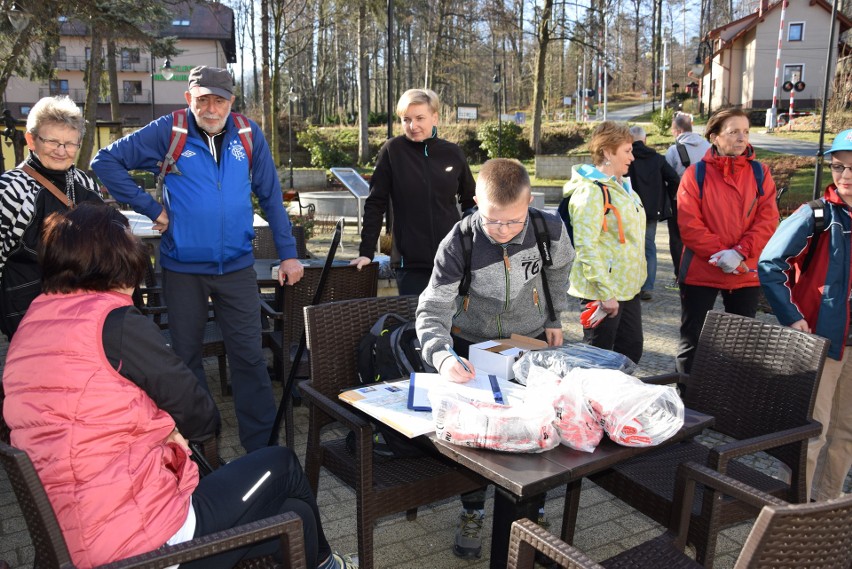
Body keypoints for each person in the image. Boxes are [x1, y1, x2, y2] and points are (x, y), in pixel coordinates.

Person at [2, 204, 356, 569]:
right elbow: (200, 414)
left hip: (74, 532)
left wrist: (159, 427)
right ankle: (329, 565)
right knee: (280, 463)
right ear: (116, 259)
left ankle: (323, 564)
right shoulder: (114, 322)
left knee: (292, 510)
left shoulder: (32, 324)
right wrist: (172, 427)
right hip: (145, 545)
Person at [92, 66, 304, 453]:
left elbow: (271, 196)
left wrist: (288, 254)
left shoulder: (247, 134)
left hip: (237, 266)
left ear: (231, 102)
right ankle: (203, 447)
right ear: (189, 98)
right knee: (185, 360)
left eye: (219, 99)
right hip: (181, 268)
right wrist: (150, 208)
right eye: (202, 98)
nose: (210, 107)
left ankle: (261, 450)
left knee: (249, 359)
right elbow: (104, 162)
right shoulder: (168, 131)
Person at [416, 158, 573, 559]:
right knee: (478, 436)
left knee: (536, 428)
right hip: (471, 344)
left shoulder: (548, 228)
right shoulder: (458, 242)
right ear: (474, 202)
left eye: (513, 221)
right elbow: (432, 309)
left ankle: (532, 511)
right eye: (492, 221)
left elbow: (558, 273)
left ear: (531, 203)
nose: (503, 232)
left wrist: (554, 316)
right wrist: (442, 355)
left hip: (530, 339)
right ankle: (472, 509)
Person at [758, 129, 852, 502]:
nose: (844, 176)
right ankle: (792, 507)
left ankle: (827, 504)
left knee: (845, 432)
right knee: (812, 430)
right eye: (838, 167)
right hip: (821, 341)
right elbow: (769, 263)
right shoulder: (815, 215)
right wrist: (791, 315)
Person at [676, 107, 778, 375]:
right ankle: (688, 406)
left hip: (745, 272)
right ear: (714, 137)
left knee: (742, 349)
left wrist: (741, 253)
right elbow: (689, 224)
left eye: (746, 131)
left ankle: (732, 405)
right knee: (693, 344)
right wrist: (721, 254)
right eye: (733, 132)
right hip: (701, 270)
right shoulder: (695, 174)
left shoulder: (760, 173)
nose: (741, 138)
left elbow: (768, 219)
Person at [350, 88, 476, 295]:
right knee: (416, 325)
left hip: (452, 260)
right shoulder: (393, 151)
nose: (412, 125)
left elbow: (471, 200)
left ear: (435, 117)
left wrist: (469, 240)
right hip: (410, 264)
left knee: (453, 325)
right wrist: (366, 253)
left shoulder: (453, 153)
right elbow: (375, 203)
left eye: (419, 118)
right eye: (406, 119)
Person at [0, 95, 103, 339]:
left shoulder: (86, 184)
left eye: (69, 143)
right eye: (52, 141)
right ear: (31, 140)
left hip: (84, 306)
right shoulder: (11, 188)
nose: (61, 151)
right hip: (29, 309)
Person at [563, 121, 646, 364]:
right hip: (603, 292)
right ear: (608, 152)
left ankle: (616, 401)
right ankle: (587, 402)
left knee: (630, 352)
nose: (632, 157)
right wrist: (605, 292)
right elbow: (585, 246)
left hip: (628, 290)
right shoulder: (591, 191)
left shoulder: (625, 188)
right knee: (597, 359)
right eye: (627, 151)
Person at [626, 125, 680, 301]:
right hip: (651, 210)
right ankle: (648, 286)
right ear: (645, 139)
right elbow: (674, 178)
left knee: (629, 246)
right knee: (649, 246)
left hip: (629, 208)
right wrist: (667, 197)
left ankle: (630, 284)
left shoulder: (627, 157)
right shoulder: (657, 158)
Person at [664, 112, 711, 289]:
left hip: (680, 200)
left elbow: (667, 175)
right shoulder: (708, 146)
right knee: (702, 235)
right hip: (705, 200)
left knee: (677, 237)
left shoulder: (674, 150)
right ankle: (702, 273)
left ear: (677, 130)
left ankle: (680, 274)